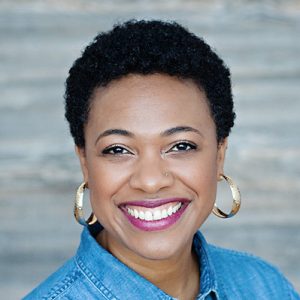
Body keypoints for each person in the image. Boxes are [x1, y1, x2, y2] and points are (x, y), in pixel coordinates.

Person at [24, 19, 299, 300]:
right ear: (85, 162)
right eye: (118, 149)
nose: (151, 181)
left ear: (219, 155)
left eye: (181, 145)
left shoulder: (265, 287)